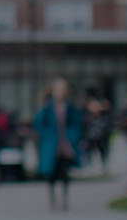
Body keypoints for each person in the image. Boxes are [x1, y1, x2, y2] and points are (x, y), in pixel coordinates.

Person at [34, 78, 85, 211]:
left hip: (66, 145)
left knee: (64, 173)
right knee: (51, 174)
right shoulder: (46, 107)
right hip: (51, 145)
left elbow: (77, 123)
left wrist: (72, 137)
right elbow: (39, 124)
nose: (61, 91)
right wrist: (48, 136)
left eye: (63, 88)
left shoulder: (70, 106)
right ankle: (52, 199)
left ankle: (64, 200)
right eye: (58, 89)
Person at [83, 95, 113, 174]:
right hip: (91, 139)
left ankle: (103, 168)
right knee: (90, 154)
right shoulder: (87, 116)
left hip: (101, 139)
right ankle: (90, 168)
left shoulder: (104, 115)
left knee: (103, 154)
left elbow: (108, 126)